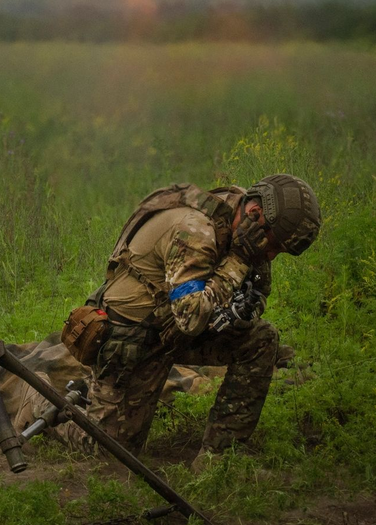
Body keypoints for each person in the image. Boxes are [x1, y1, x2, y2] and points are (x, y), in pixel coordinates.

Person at [83, 175, 320, 466]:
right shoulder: (195, 232)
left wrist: (241, 313)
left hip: (179, 328)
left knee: (261, 339)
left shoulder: (246, 222)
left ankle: (219, 458)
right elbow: (192, 319)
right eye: (273, 247)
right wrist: (239, 260)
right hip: (133, 339)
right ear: (255, 214)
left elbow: (259, 292)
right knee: (107, 454)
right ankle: (37, 400)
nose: (270, 255)